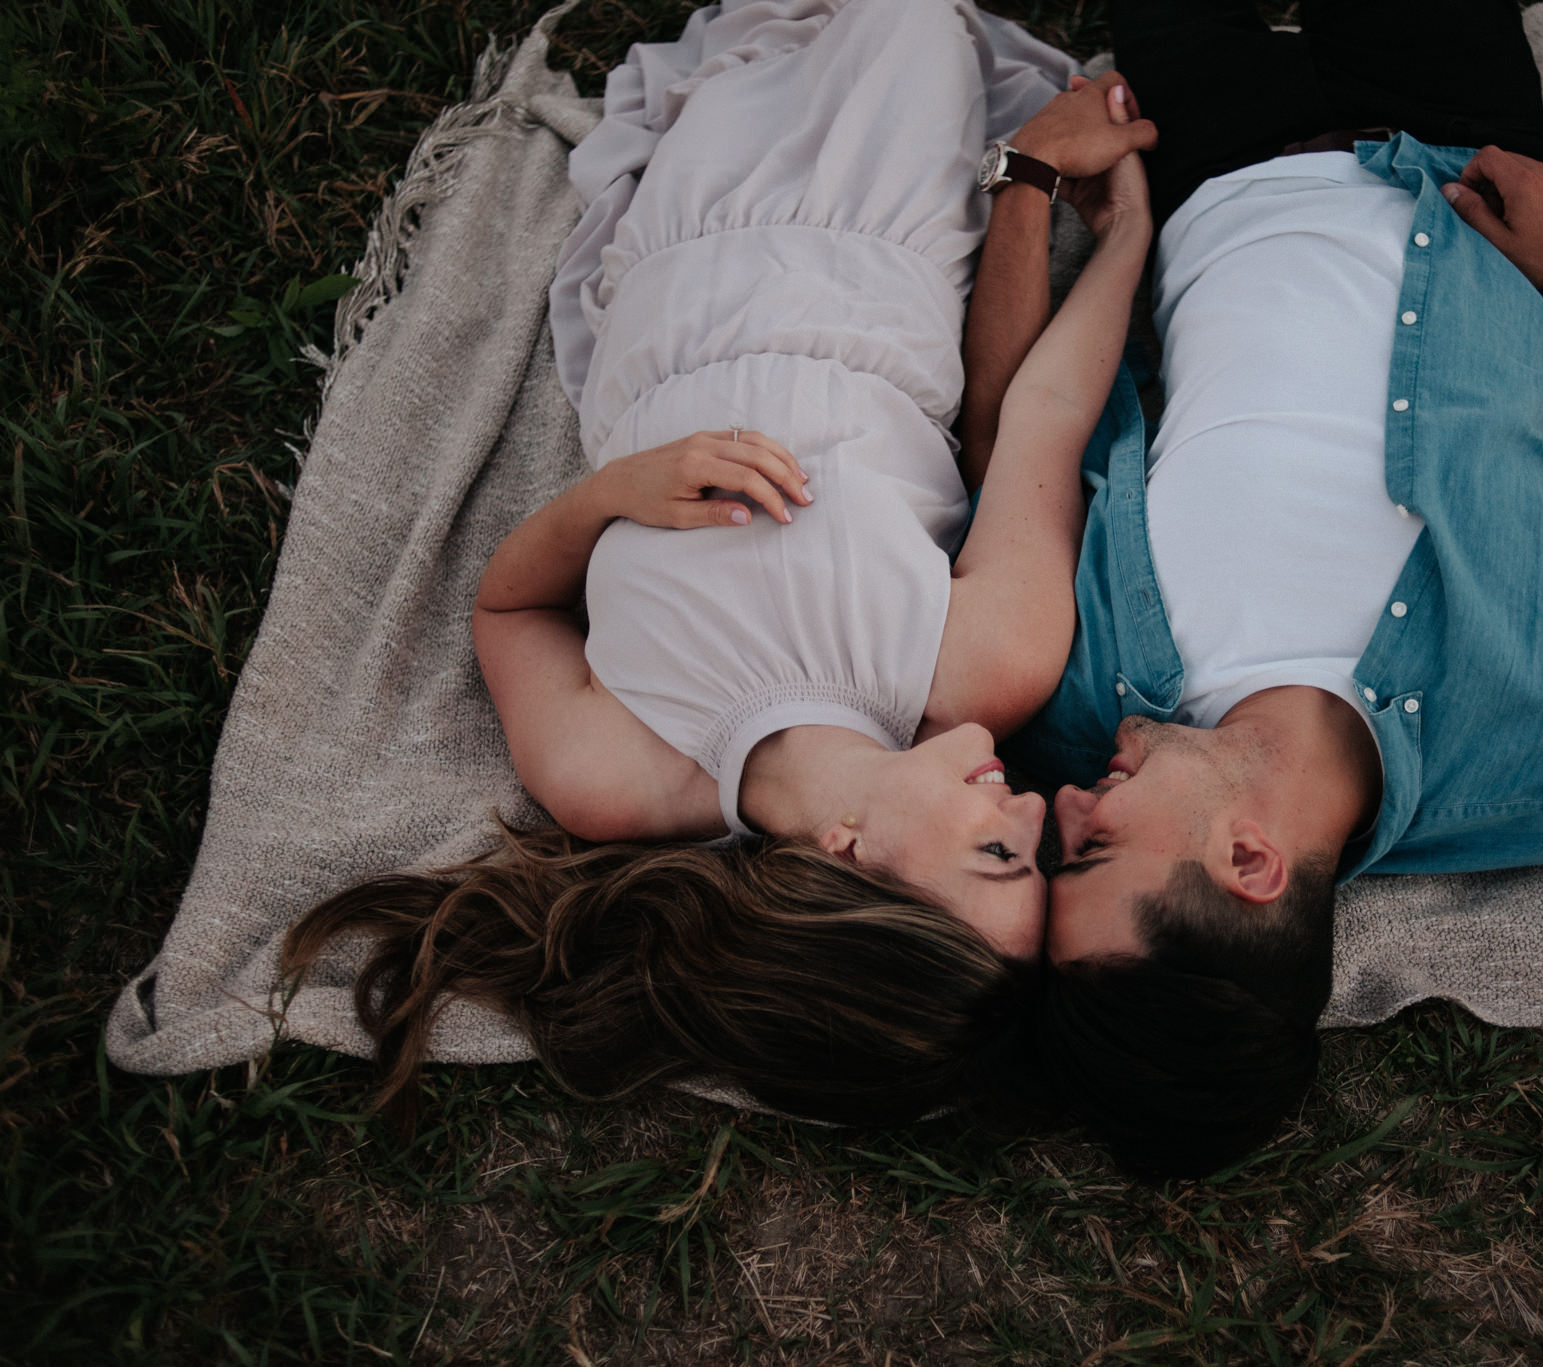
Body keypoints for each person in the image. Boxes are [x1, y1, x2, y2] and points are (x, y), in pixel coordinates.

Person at [282, 0, 1157, 1130]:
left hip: (672, 287)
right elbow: (1029, 420)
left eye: (1000, 854)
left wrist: (611, 495)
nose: (1039, 814)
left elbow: (507, 607)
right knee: (906, 23)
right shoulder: (982, 665)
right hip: (876, 257)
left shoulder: (624, 775)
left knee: (764, 56)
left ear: (846, 856)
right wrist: (1104, 224)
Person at [988, 0, 1543, 1177]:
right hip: (1472, 160)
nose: (1058, 809)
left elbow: (1006, 446)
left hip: (1207, 158)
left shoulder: (1074, 700)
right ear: (1250, 862)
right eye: (1093, 853)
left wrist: (1026, 178)